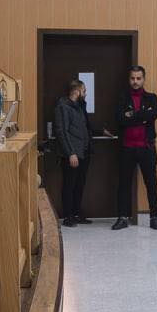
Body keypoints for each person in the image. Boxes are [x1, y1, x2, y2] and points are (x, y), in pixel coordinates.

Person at [112, 65, 157, 231]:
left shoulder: (152, 98)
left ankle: (154, 217)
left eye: (138, 78)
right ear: (129, 79)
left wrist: (131, 114)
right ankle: (122, 217)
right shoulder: (122, 98)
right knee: (124, 184)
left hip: (147, 148)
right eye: (132, 78)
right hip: (127, 148)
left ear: (143, 79)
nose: (135, 81)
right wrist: (141, 116)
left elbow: (154, 114)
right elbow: (119, 119)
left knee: (151, 183)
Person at [55, 79, 93, 226]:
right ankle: (68, 216)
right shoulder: (63, 107)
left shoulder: (79, 107)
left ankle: (77, 213)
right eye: (84, 91)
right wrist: (71, 153)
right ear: (77, 92)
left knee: (79, 184)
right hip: (72, 154)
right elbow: (62, 132)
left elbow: (83, 127)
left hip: (83, 152)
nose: (86, 94)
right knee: (69, 185)